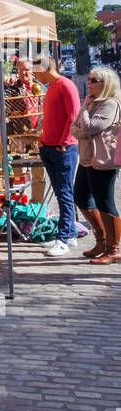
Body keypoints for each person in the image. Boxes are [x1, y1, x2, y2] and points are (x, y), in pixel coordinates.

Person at [71, 66, 121, 264]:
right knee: (81, 196)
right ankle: (102, 240)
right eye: (89, 79)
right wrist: (85, 127)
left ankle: (113, 248)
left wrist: (83, 110)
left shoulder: (110, 104)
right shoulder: (92, 102)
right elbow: (74, 128)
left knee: (105, 202)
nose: (89, 83)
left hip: (104, 161)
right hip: (87, 159)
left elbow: (90, 127)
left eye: (94, 80)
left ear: (105, 83)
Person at [35, 53, 81, 258]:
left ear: (44, 68)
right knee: (61, 191)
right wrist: (45, 139)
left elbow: (73, 116)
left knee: (64, 192)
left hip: (62, 148)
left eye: (37, 72)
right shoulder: (52, 87)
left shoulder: (65, 85)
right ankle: (69, 233)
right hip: (50, 146)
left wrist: (63, 142)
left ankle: (63, 238)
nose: (36, 76)